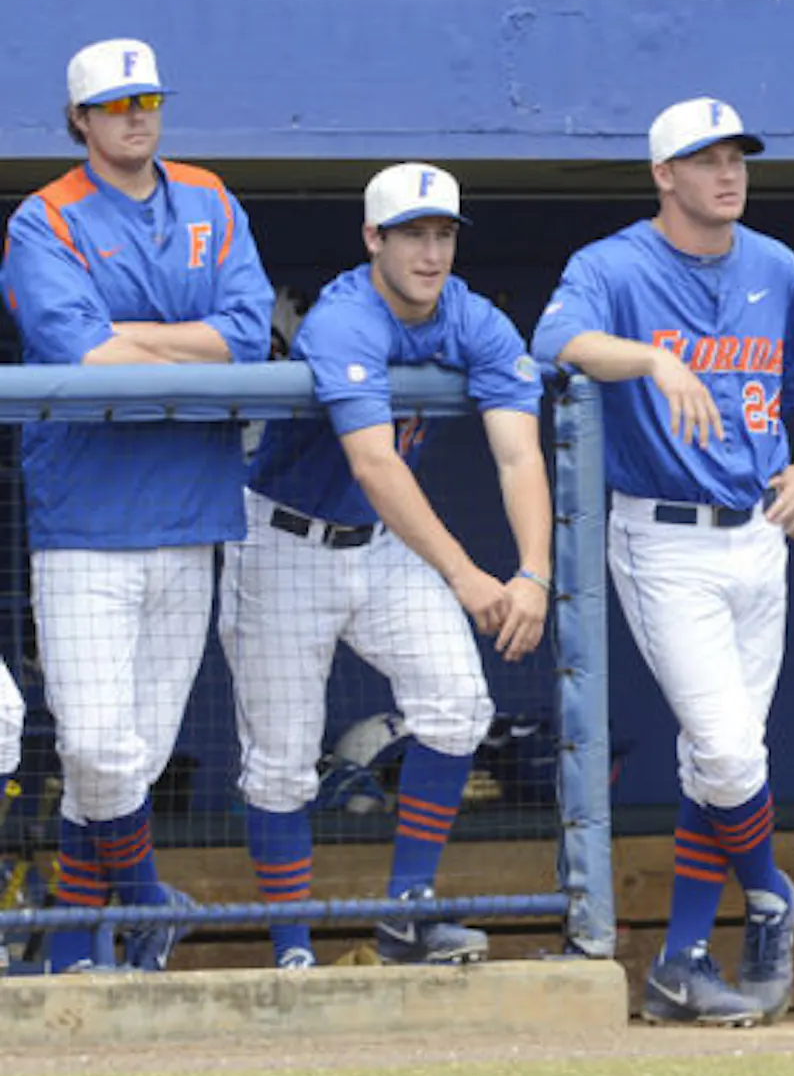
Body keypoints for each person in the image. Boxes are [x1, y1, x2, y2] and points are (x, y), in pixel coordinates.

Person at [532, 97, 794, 1026]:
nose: (729, 173)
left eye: (737, 157)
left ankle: (680, 961)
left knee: (720, 762)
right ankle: (770, 888)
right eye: (706, 160)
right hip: (662, 535)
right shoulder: (615, 264)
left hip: (757, 530)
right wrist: (653, 362)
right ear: (664, 174)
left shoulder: (775, 263)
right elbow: (553, 341)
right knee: (724, 746)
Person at [218, 163, 551, 968]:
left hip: (378, 545)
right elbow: (375, 465)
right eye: (412, 235)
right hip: (284, 544)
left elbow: (516, 453)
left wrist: (533, 570)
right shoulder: (343, 319)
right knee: (282, 761)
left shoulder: (470, 314)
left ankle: (405, 913)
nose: (431, 253)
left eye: (442, 235)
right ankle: (293, 951)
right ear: (375, 239)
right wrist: (470, 574)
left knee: (457, 703)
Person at [2, 38, 273, 973]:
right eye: (115, 104)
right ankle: (152, 901)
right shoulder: (46, 219)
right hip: (85, 522)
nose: (135, 115)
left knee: (131, 760)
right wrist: (177, 347)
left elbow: (248, 332)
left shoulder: (210, 197)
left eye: (146, 97)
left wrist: (137, 338)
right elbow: (77, 352)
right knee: (96, 746)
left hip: (194, 514)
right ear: (80, 120)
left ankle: (73, 952)